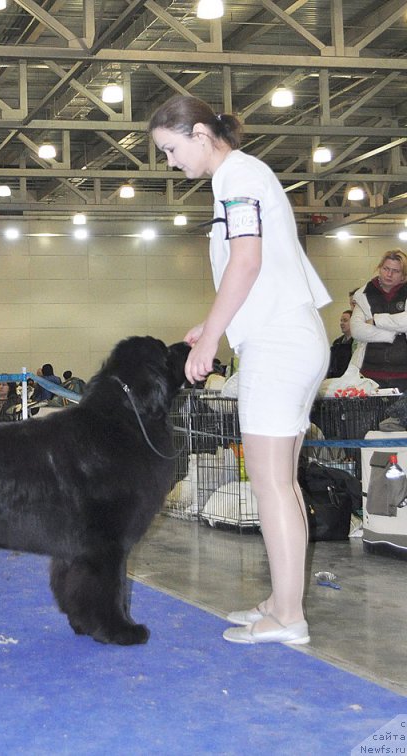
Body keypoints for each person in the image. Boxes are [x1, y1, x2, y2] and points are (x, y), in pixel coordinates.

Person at [150, 95, 330, 646]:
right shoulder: (240, 177)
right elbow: (250, 265)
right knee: (283, 484)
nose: (171, 162)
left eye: (172, 149)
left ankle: (289, 619)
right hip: (286, 338)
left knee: (271, 486)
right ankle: (282, 601)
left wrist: (208, 342)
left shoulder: (237, 177)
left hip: (279, 343)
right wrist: (210, 327)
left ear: (202, 134)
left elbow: (246, 261)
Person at [350, 250, 407, 393]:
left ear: (403, 276)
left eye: (395, 271)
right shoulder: (363, 294)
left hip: (404, 375)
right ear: (379, 268)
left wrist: (376, 320)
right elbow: (356, 330)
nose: (389, 274)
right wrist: (394, 333)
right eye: (386, 269)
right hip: (369, 375)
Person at [326, 309, 354, 378]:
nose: (341, 323)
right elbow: (331, 363)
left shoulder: (357, 343)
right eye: (341, 321)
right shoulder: (337, 343)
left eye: (345, 320)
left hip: (349, 380)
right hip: (334, 380)